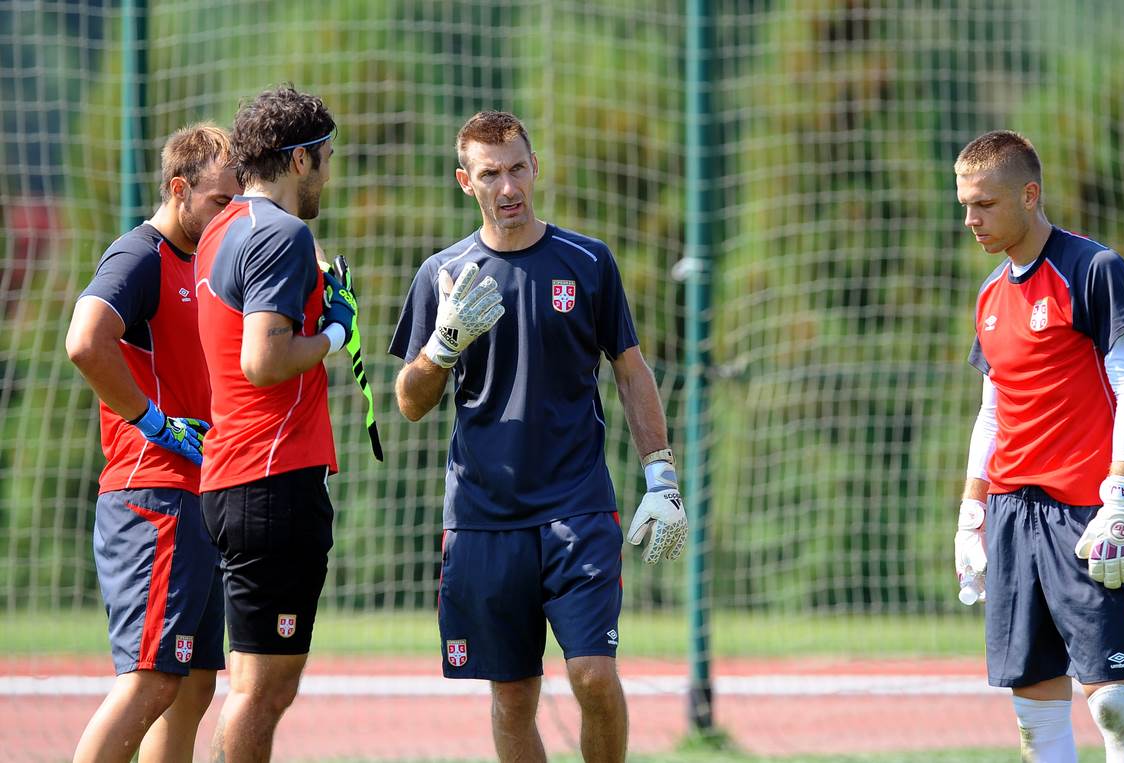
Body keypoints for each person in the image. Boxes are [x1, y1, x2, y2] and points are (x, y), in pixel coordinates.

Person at [390, 110, 688, 763]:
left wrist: (661, 473)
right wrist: (442, 346)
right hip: (482, 519)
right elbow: (409, 402)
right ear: (465, 180)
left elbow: (631, 372)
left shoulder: (588, 261)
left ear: (536, 167)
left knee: (593, 676)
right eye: (490, 173)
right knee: (513, 697)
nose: (508, 187)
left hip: (576, 509)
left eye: (517, 168)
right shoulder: (444, 274)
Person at [953, 130, 1124, 762]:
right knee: (1034, 716)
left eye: (984, 204)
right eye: (964, 204)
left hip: (1086, 516)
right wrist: (970, 511)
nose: (970, 219)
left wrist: (1121, 498)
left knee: (1113, 706)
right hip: (1013, 515)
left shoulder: (1094, 270)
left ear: (1029, 194)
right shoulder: (990, 294)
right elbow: (992, 410)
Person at [64, 122, 241, 763]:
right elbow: (84, 343)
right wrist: (151, 421)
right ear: (178, 188)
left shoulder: (211, 261)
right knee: (151, 679)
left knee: (191, 685)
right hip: (152, 498)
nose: (229, 215)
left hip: (201, 494)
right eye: (219, 201)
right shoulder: (138, 256)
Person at [194, 85, 356, 762]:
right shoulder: (284, 233)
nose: (327, 174)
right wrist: (337, 332)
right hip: (271, 481)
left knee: (260, 687)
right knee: (260, 691)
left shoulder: (221, 228)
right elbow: (262, 359)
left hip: (237, 477)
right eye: (324, 158)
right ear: (299, 162)